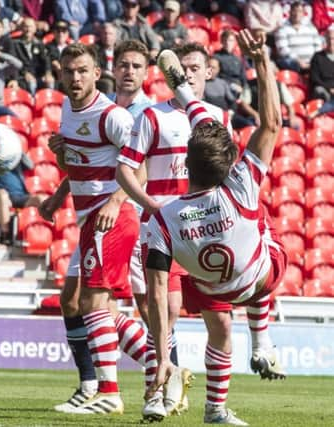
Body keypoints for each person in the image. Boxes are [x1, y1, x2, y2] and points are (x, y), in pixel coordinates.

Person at [145, 30, 287, 426]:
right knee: (260, 215)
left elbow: (158, 295)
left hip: (207, 285)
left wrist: (162, 360)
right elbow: (272, 123)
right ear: (230, 166)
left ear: (185, 166)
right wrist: (261, 62)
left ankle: (215, 410)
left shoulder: (162, 219)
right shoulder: (239, 185)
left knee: (219, 331)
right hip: (259, 276)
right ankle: (260, 343)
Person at [116, 42, 233, 420]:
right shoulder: (152, 117)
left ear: (208, 72)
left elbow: (227, 178)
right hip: (165, 231)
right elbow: (125, 170)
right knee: (163, 312)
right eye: (179, 68)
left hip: (206, 232)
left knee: (221, 321)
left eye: (194, 68)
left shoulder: (217, 118)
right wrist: (150, 206)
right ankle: (157, 393)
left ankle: (216, 408)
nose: (185, 75)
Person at [39, 40, 154, 415]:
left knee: (92, 302)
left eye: (82, 71)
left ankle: (108, 392)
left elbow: (141, 166)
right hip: (89, 218)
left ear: (96, 74)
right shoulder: (69, 114)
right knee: (87, 304)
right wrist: (59, 168)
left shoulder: (113, 116)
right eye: (69, 71)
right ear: (60, 73)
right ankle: (159, 364)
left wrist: (116, 202)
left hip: (112, 217)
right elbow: (81, 163)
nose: (75, 78)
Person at [0, 153, 47, 245]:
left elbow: (31, 166)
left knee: (42, 199)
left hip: (21, 196)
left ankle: (41, 232)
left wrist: (19, 151)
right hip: (1, 197)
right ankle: (5, 233)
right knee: (3, 195)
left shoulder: (15, 159)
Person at [275, 1, 322, 72]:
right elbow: (283, 50)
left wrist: (314, 60)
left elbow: (318, 45)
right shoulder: (282, 29)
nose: (297, 14)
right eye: (294, 11)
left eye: (300, 11)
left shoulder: (311, 27)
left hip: (312, 61)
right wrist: (298, 61)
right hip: (294, 63)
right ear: (289, 12)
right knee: (287, 62)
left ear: (303, 13)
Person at [13, 17, 54, 94]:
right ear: (21, 28)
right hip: (22, 76)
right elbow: (14, 62)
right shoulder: (14, 43)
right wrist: (25, 73)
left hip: (37, 75)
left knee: (50, 82)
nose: (28, 29)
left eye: (31, 26)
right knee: (32, 84)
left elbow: (46, 59)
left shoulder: (39, 43)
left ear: (35, 29)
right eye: (26, 26)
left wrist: (48, 73)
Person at [213, 30, 246, 94]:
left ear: (234, 42)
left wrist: (243, 89)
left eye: (231, 40)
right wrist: (231, 86)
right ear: (222, 42)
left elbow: (243, 77)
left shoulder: (237, 59)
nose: (228, 43)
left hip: (239, 90)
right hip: (223, 89)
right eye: (225, 40)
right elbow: (215, 77)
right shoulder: (216, 57)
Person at [309, 26, 334, 102]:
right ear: (325, 40)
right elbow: (315, 79)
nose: (331, 41)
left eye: (333, 39)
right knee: (319, 90)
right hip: (325, 89)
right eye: (329, 38)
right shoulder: (317, 57)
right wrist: (330, 88)